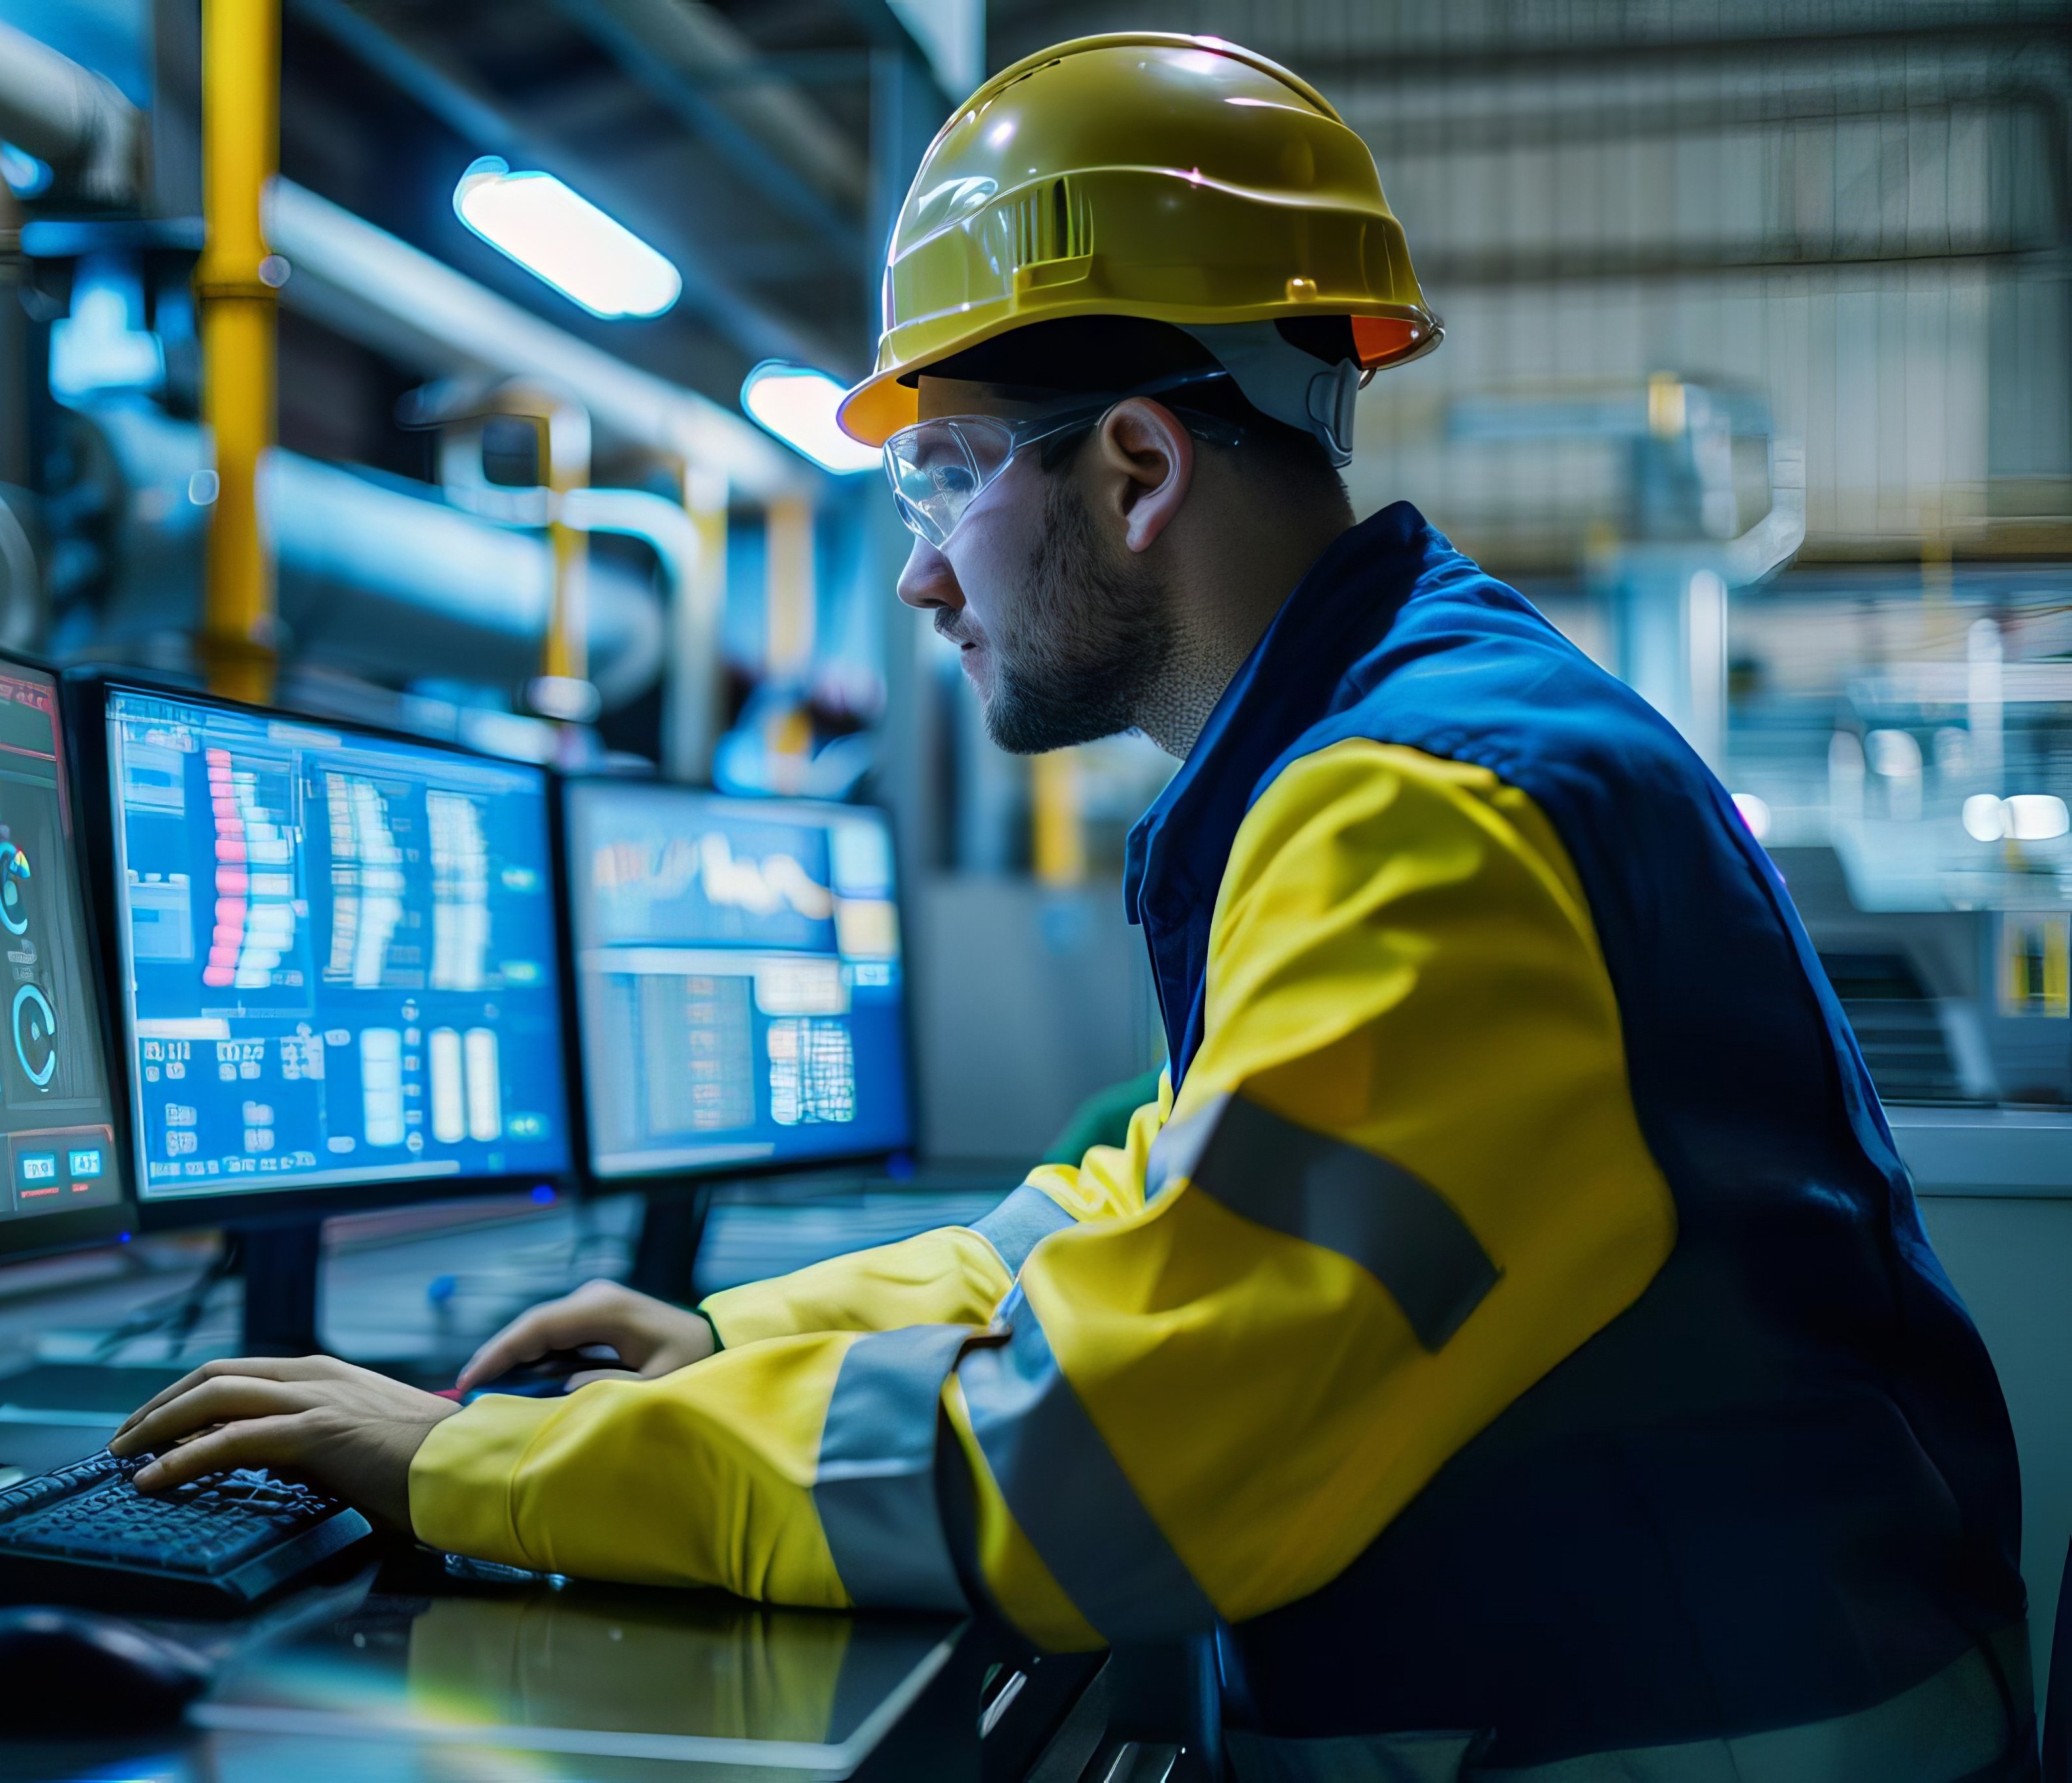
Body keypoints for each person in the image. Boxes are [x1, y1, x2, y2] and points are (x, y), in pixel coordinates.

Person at [110, 34, 2032, 1775]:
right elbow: (1139, 1228)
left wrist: (476, 1464)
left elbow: (1093, 1466)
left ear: (1133, 470)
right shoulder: (1394, 748)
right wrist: (725, 1338)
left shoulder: (1426, 814)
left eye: (941, 477)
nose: (924, 581)